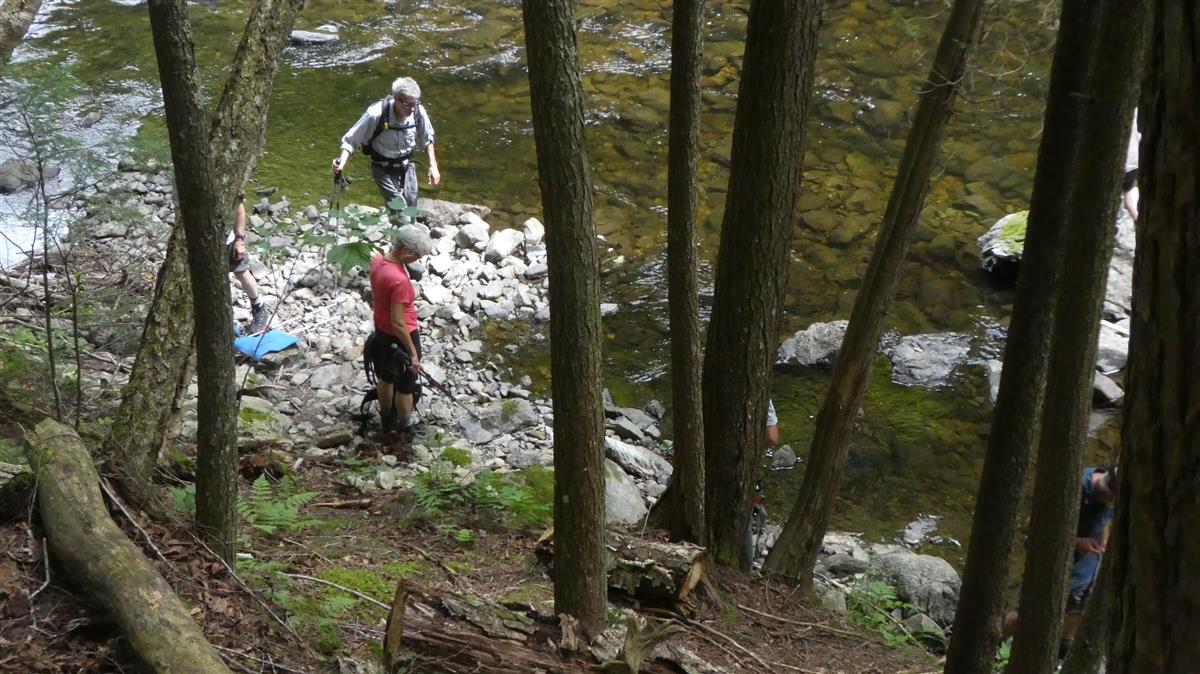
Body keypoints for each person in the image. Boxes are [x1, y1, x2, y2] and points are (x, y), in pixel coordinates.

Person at [1003, 466, 1118, 663]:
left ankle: (1058, 657)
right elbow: (1031, 526)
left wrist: (1104, 542)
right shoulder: (1073, 489)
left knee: (1075, 613)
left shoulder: (1113, 494)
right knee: (1024, 613)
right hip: (1052, 562)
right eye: (1110, 500)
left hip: (1086, 568)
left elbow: (1106, 518)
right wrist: (1076, 541)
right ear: (1107, 491)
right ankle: (992, 643)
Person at [332, 76, 440, 222]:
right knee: (400, 211)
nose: (413, 108)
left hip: (407, 167)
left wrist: (433, 166)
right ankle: (402, 238)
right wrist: (341, 164)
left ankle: (401, 240)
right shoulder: (376, 114)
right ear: (396, 99)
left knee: (411, 210)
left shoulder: (417, 112)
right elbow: (351, 140)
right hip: (382, 169)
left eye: (416, 103)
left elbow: (427, 138)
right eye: (408, 105)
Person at [366, 225, 435, 433]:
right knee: (405, 385)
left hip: (381, 330)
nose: (418, 259)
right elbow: (398, 321)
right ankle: (405, 425)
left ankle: (385, 416)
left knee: (386, 376)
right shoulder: (399, 281)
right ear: (406, 250)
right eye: (418, 255)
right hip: (401, 334)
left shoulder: (377, 260)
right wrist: (413, 354)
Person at [228, 192, 269, 335]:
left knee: (241, 272)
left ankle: (259, 309)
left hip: (229, 240)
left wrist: (239, 240)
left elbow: (239, 208)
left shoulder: (227, 181)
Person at [1121, 109, 1140, 221]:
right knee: (1129, 189)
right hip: (1133, 157)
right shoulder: (1132, 106)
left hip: (1125, 159)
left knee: (1129, 188)